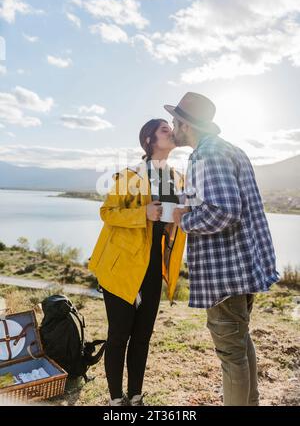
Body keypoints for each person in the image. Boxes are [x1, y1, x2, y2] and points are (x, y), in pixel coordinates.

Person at [168, 92, 279, 406]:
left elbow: (224, 211)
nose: (171, 127)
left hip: (225, 271)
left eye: (175, 121)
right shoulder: (228, 150)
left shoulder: (207, 154)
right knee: (240, 345)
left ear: (186, 125)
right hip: (244, 265)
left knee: (231, 354)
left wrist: (185, 219)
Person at [88, 119, 186, 406]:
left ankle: (136, 396)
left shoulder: (179, 178)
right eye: (165, 129)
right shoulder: (130, 176)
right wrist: (142, 213)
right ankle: (117, 400)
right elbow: (107, 212)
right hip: (122, 267)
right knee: (118, 336)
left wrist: (178, 219)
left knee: (143, 336)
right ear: (149, 140)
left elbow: (173, 223)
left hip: (155, 265)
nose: (171, 132)